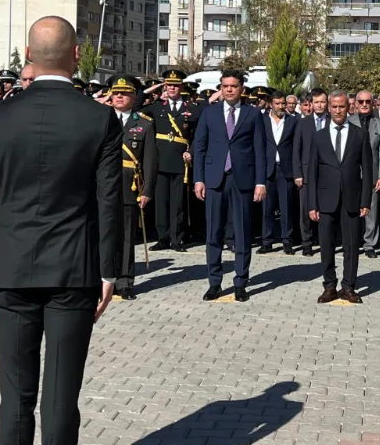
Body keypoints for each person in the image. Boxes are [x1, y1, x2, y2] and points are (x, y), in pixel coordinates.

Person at [0, 16, 122, 445]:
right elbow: (109, 201)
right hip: (74, 270)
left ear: (27, 55)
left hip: (9, 268)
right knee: (60, 396)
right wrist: (110, 271)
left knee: (16, 394)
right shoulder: (99, 118)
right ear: (77, 56)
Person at [192, 70, 266, 302]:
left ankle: (241, 283)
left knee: (242, 234)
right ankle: (214, 282)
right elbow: (200, 147)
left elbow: (261, 151)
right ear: (220, 88)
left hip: (242, 179)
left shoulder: (253, 115)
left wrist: (260, 182)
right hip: (215, 179)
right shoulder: (210, 113)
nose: (229, 89)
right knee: (214, 233)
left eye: (234, 86)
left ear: (242, 88)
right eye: (225, 86)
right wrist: (199, 178)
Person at [308, 90, 372, 304]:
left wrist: (365, 201)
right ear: (328, 107)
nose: (337, 110)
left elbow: (368, 170)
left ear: (348, 107)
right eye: (334, 106)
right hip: (325, 199)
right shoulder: (318, 136)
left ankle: (349, 286)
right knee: (326, 245)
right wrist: (312, 204)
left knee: (352, 246)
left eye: (341, 106)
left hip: (352, 199)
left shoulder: (359, 134)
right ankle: (329, 286)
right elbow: (312, 173)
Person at [108, 75, 157, 300]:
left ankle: (125, 281)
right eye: (116, 92)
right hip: (103, 186)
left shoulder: (143, 122)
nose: (119, 96)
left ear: (134, 96)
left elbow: (149, 159)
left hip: (130, 184)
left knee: (127, 236)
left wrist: (147, 190)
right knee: (104, 235)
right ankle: (104, 280)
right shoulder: (102, 118)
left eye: (125, 93)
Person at [149, 69, 198, 253]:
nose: (172, 88)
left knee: (178, 204)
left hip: (180, 163)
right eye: (169, 85)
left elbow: (199, 134)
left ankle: (177, 239)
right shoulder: (157, 107)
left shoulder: (190, 109)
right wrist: (155, 88)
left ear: (181, 87)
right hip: (161, 161)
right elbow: (137, 104)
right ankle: (163, 238)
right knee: (161, 203)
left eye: (175, 85)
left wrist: (191, 151)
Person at [259, 93, 298, 255]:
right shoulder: (262, 121)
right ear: (270, 104)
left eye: (283, 103)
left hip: (285, 169)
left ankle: (287, 241)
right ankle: (266, 241)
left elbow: (296, 147)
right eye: (277, 103)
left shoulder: (293, 121)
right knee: (267, 208)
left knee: (286, 207)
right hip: (267, 169)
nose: (281, 106)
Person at [348, 90, 380, 258]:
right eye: (360, 101)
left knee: (372, 210)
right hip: (352, 174)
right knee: (352, 209)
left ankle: (370, 244)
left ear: (373, 103)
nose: (364, 104)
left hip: (373, 173)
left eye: (367, 102)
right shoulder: (348, 122)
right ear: (355, 103)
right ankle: (352, 242)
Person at [293, 88, 328, 256]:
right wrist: (298, 173)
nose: (319, 105)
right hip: (306, 174)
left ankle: (324, 240)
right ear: (311, 104)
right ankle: (306, 242)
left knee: (325, 209)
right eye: (316, 102)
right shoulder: (303, 122)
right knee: (305, 209)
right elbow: (296, 150)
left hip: (326, 173)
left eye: (322, 102)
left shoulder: (332, 121)